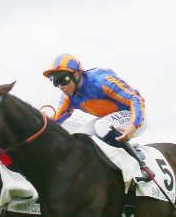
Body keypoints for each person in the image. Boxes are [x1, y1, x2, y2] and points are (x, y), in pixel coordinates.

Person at [43, 53, 151, 181]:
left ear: (76, 75)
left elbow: (136, 98)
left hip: (135, 117)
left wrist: (134, 125)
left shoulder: (101, 81)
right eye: (55, 83)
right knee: (77, 136)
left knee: (101, 126)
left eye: (63, 80)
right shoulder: (68, 98)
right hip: (111, 119)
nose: (60, 87)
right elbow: (55, 122)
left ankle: (141, 166)